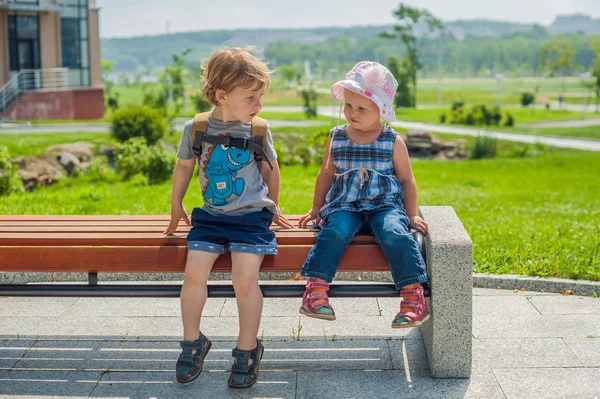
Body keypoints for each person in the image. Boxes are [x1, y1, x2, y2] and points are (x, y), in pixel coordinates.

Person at [164, 47, 293, 388]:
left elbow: (271, 170)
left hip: (251, 218)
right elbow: (184, 166)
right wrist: (177, 204)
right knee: (193, 273)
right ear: (221, 95)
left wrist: (273, 205)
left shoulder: (257, 130)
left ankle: (247, 349)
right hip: (211, 217)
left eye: (261, 95)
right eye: (251, 96)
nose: (259, 104)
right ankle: (193, 343)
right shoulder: (198, 127)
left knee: (243, 279)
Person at [298, 61, 429, 328]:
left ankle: (412, 296)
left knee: (395, 232)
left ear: (380, 109)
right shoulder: (336, 136)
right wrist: (315, 208)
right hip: (345, 204)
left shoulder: (391, 140)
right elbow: (325, 174)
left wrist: (412, 213)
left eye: (361, 108)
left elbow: (406, 179)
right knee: (333, 232)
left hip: (384, 204)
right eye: (348, 106)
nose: (352, 113)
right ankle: (316, 290)